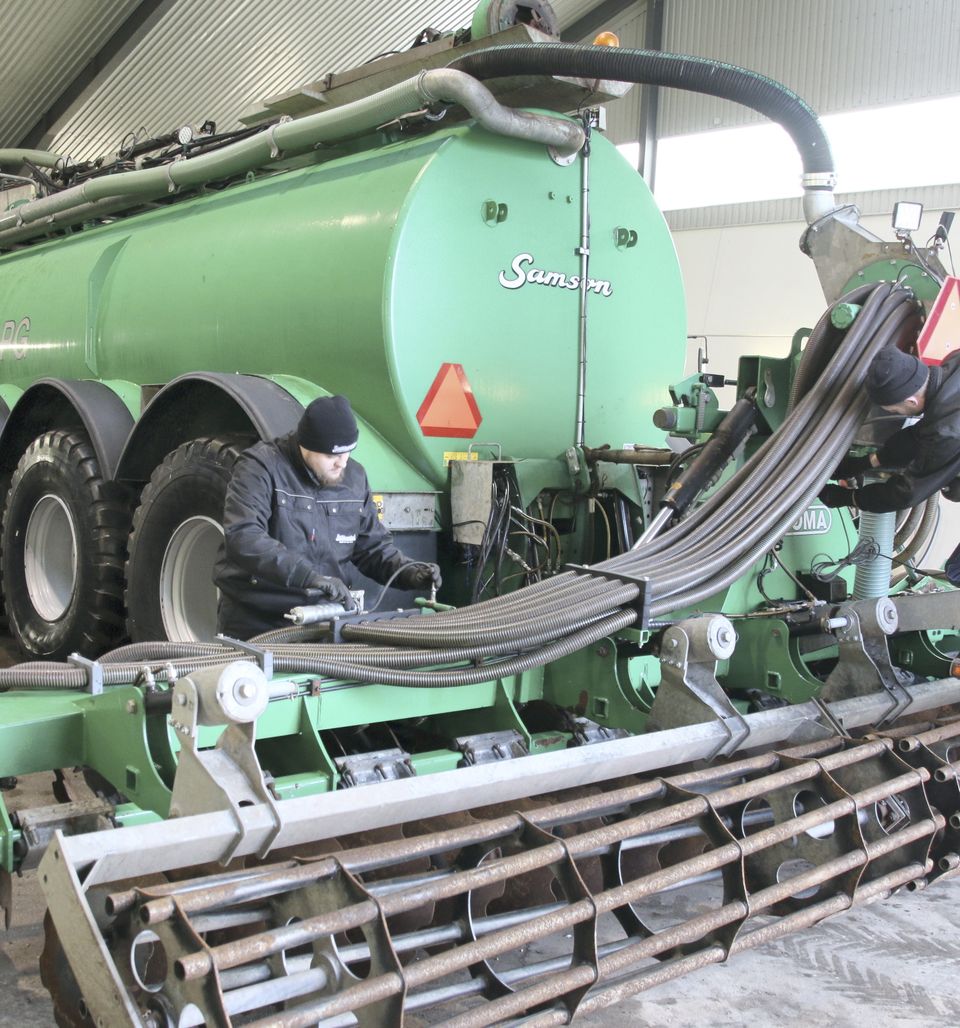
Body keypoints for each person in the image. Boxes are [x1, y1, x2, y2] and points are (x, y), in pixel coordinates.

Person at [215, 394, 441, 638]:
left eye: (347, 453)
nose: (341, 464)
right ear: (304, 445)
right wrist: (308, 577)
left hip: (324, 619)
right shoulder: (260, 467)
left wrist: (409, 572)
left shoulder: (354, 478)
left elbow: (372, 549)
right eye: (331, 456)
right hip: (258, 619)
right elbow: (244, 536)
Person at [819, 346, 960, 516]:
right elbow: (920, 435)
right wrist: (865, 462)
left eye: (894, 410)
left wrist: (849, 498)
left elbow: (906, 493)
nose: (894, 413)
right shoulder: (955, 360)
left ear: (911, 401)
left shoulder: (945, 432)